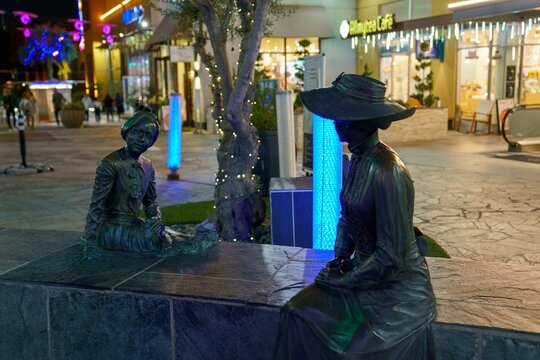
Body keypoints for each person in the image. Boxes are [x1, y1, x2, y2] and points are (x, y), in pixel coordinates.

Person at [273, 74, 436, 359]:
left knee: (351, 351)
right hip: (360, 273)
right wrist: (341, 254)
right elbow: (347, 216)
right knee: (295, 312)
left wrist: (346, 281)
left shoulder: (388, 171)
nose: (335, 122)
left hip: (397, 290)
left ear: (360, 121)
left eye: (342, 116)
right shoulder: (358, 159)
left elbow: (391, 258)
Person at [81, 104, 216, 259]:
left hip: (133, 224)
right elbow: (96, 206)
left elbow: (151, 202)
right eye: (139, 133)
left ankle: (191, 244)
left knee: (171, 235)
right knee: (159, 241)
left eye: (149, 137)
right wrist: (90, 244)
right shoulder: (110, 164)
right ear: (128, 131)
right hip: (112, 229)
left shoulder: (147, 166)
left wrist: (156, 220)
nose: (143, 140)